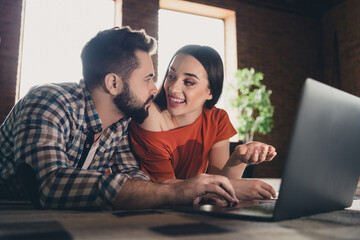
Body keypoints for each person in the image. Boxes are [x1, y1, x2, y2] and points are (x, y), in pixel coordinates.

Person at [0, 27, 240, 210]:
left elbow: (133, 175)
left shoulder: (120, 124)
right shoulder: (48, 102)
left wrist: (187, 189)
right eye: (147, 79)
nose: (155, 90)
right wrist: (172, 193)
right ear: (113, 83)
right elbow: (49, 185)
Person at [130, 45, 277, 201]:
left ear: (210, 92)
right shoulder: (150, 115)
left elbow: (218, 186)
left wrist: (239, 159)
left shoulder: (217, 119)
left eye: (188, 82)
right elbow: (166, 187)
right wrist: (230, 188)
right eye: (171, 76)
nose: (173, 88)